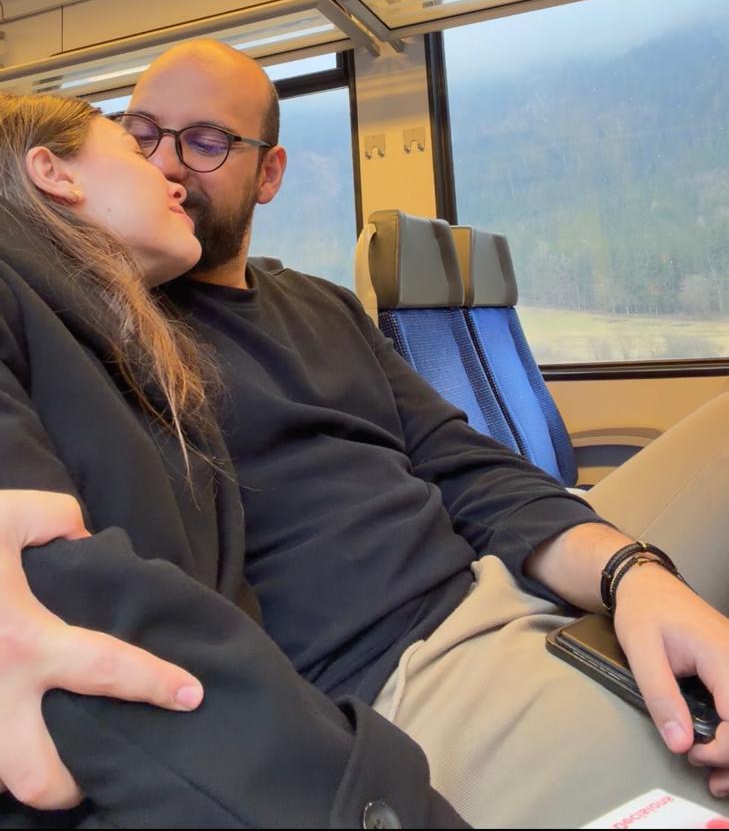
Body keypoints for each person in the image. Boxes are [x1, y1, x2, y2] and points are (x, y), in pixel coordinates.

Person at [4, 41, 729, 826]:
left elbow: (463, 466)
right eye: (141, 135)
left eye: (206, 142)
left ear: (269, 173)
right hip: (411, 672)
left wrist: (633, 573)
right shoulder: (112, 334)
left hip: (501, 584)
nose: (169, 165)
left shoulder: (326, 308)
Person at [0, 91, 463, 829]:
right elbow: (76, 607)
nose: (174, 177)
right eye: (133, 147)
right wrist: (383, 808)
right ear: (56, 175)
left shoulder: (147, 364)